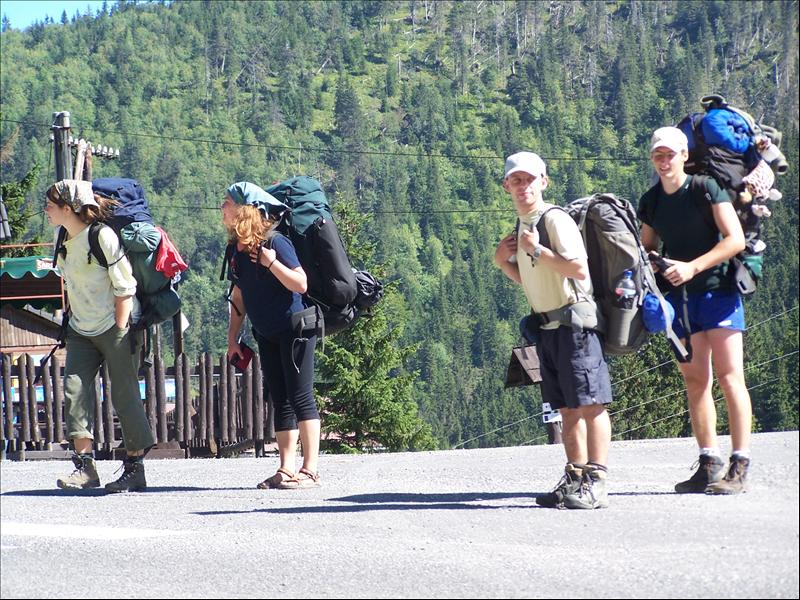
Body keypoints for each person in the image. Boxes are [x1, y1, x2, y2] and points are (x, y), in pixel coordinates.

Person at [494, 152, 613, 509]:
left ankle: (597, 481)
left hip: (575, 326)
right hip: (548, 329)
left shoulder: (554, 220)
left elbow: (578, 269)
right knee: (566, 407)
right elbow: (531, 279)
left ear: (544, 182)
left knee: (590, 405)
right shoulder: (523, 225)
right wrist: (502, 262)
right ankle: (575, 476)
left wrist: (537, 251)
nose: (523, 186)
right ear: (506, 186)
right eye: (516, 180)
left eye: (530, 179)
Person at [638, 127, 751, 495]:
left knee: (730, 377)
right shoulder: (652, 201)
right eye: (658, 155)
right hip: (682, 301)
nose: (664, 161)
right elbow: (647, 248)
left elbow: (735, 239)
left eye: (670, 154)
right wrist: (657, 264)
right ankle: (709, 462)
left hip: (719, 291)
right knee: (696, 380)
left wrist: (692, 267)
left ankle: (739, 464)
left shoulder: (705, 188)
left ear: (684, 155)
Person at [45, 179, 154, 493]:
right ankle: (85, 468)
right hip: (81, 329)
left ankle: (135, 469)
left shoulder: (101, 235)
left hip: (114, 326)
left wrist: (120, 328)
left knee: (124, 395)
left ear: (69, 208)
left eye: (50, 205)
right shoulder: (64, 238)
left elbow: (125, 284)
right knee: (74, 391)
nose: (46, 210)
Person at [221, 181, 322, 489]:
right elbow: (239, 296)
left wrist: (271, 262)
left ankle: (310, 471)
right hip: (266, 332)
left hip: (295, 330)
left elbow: (300, 284)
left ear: (245, 210)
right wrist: (233, 339)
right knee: (281, 399)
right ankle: (286, 469)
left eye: (227, 202)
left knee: (301, 397)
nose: (222, 208)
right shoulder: (236, 249)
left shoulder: (276, 242)